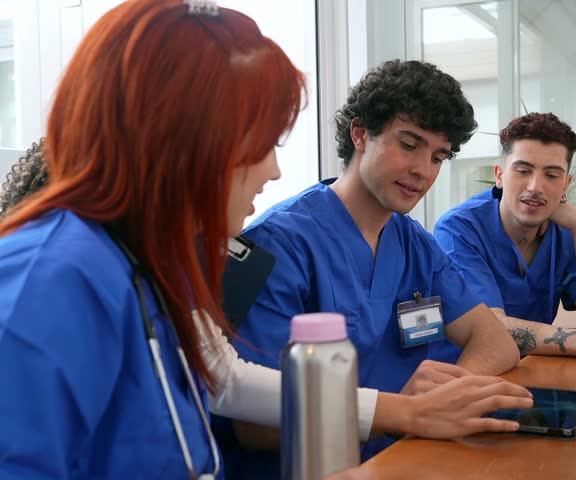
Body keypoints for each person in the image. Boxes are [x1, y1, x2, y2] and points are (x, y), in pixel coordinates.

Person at [0, 79, 533, 480]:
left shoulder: (161, 262)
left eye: (438, 156)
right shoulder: (56, 274)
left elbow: (224, 376)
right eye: (259, 145)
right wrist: (404, 410)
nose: (275, 170)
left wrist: (419, 410)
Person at [224, 59, 521, 469]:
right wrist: (402, 408)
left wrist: (444, 400)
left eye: (438, 156)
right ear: (360, 134)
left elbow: (496, 342)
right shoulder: (278, 245)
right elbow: (252, 425)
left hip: (404, 459)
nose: (422, 171)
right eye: (409, 144)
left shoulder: (412, 239)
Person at [429, 112, 576, 364]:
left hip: (530, 370)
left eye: (552, 175)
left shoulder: (565, 231)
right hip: (459, 378)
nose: (535, 186)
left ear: (566, 185)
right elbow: (490, 329)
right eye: (523, 171)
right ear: (500, 175)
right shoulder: (458, 229)